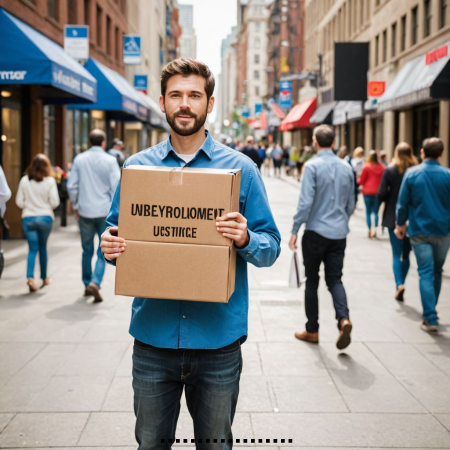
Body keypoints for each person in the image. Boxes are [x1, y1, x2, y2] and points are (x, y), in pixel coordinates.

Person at [100, 58, 281, 449]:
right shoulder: (137, 168)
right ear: (162, 102)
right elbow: (114, 232)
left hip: (218, 343)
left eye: (194, 96)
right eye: (177, 95)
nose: (185, 104)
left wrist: (247, 238)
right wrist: (109, 246)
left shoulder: (242, 171)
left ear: (209, 104)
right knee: (150, 444)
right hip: (153, 342)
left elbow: (271, 248)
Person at [289, 125, 355, 350]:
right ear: (333, 143)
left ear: (316, 142)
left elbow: (306, 202)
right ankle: (343, 318)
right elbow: (351, 202)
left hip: (315, 232)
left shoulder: (312, 166)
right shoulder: (346, 167)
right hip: (339, 233)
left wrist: (295, 228)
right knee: (335, 279)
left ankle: (312, 329)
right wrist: (342, 219)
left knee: (312, 281)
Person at [396, 138, 450, 333]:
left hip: (419, 230)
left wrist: (400, 224)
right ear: (441, 154)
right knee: (436, 272)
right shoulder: (448, 175)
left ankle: (430, 316)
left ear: (422, 152)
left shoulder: (412, 173)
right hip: (443, 231)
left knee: (426, 272)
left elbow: (402, 203)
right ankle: (431, 312)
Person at [67, 129, 121, 303]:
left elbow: (72, 187)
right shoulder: (110, 161)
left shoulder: (79, 159)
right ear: (104, 143)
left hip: (85, 211)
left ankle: (86, 283)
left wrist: (75, 205)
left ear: (90, 142)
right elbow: (116, 189)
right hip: (104, 212)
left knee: (86, 250)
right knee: (101, 250)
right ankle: (95, 282)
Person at [378, 143, 418, 301]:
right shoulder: (416, 171)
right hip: (412, 217)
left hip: (392, 216)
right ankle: (402, 282)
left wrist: (387, 198)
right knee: (406, 254)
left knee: (396, 254)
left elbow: (381, 193)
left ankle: (399, 284)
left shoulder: (390, 171)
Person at [15, 154, 60, 292]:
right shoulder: (50, 181)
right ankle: (45, 277)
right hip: (45, 218)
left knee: (32, 249)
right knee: (43, 248)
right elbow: (55, 202)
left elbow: (19, 202)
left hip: (28, 218)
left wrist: (29, 206)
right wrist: (45, 206)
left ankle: (30, 277)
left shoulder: (24, 180)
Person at [358, 150, 385, 238]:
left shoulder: (366, 167)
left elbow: (361, 181)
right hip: (377, 192)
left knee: (368, 212)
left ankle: (369, 229)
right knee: (376, 212)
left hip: (367, 192)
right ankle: (375, 230)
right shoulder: (382, 167)